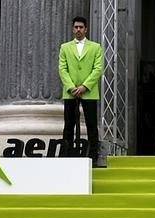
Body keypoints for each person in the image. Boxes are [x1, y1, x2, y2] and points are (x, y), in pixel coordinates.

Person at [58, 16, 103, 165]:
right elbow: (62, 69)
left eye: (81, 27)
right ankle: (66, 154)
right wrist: (71, 86)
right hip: (70, 92)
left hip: (89, 91)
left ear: (86, 29)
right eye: (76, 27)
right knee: (69, 124)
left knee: (91, 124)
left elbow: (98, 69)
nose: (78, 30)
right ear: (72, 29)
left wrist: (85, 86)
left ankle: (93, 156)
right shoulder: (65, 47)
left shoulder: (96, 47)